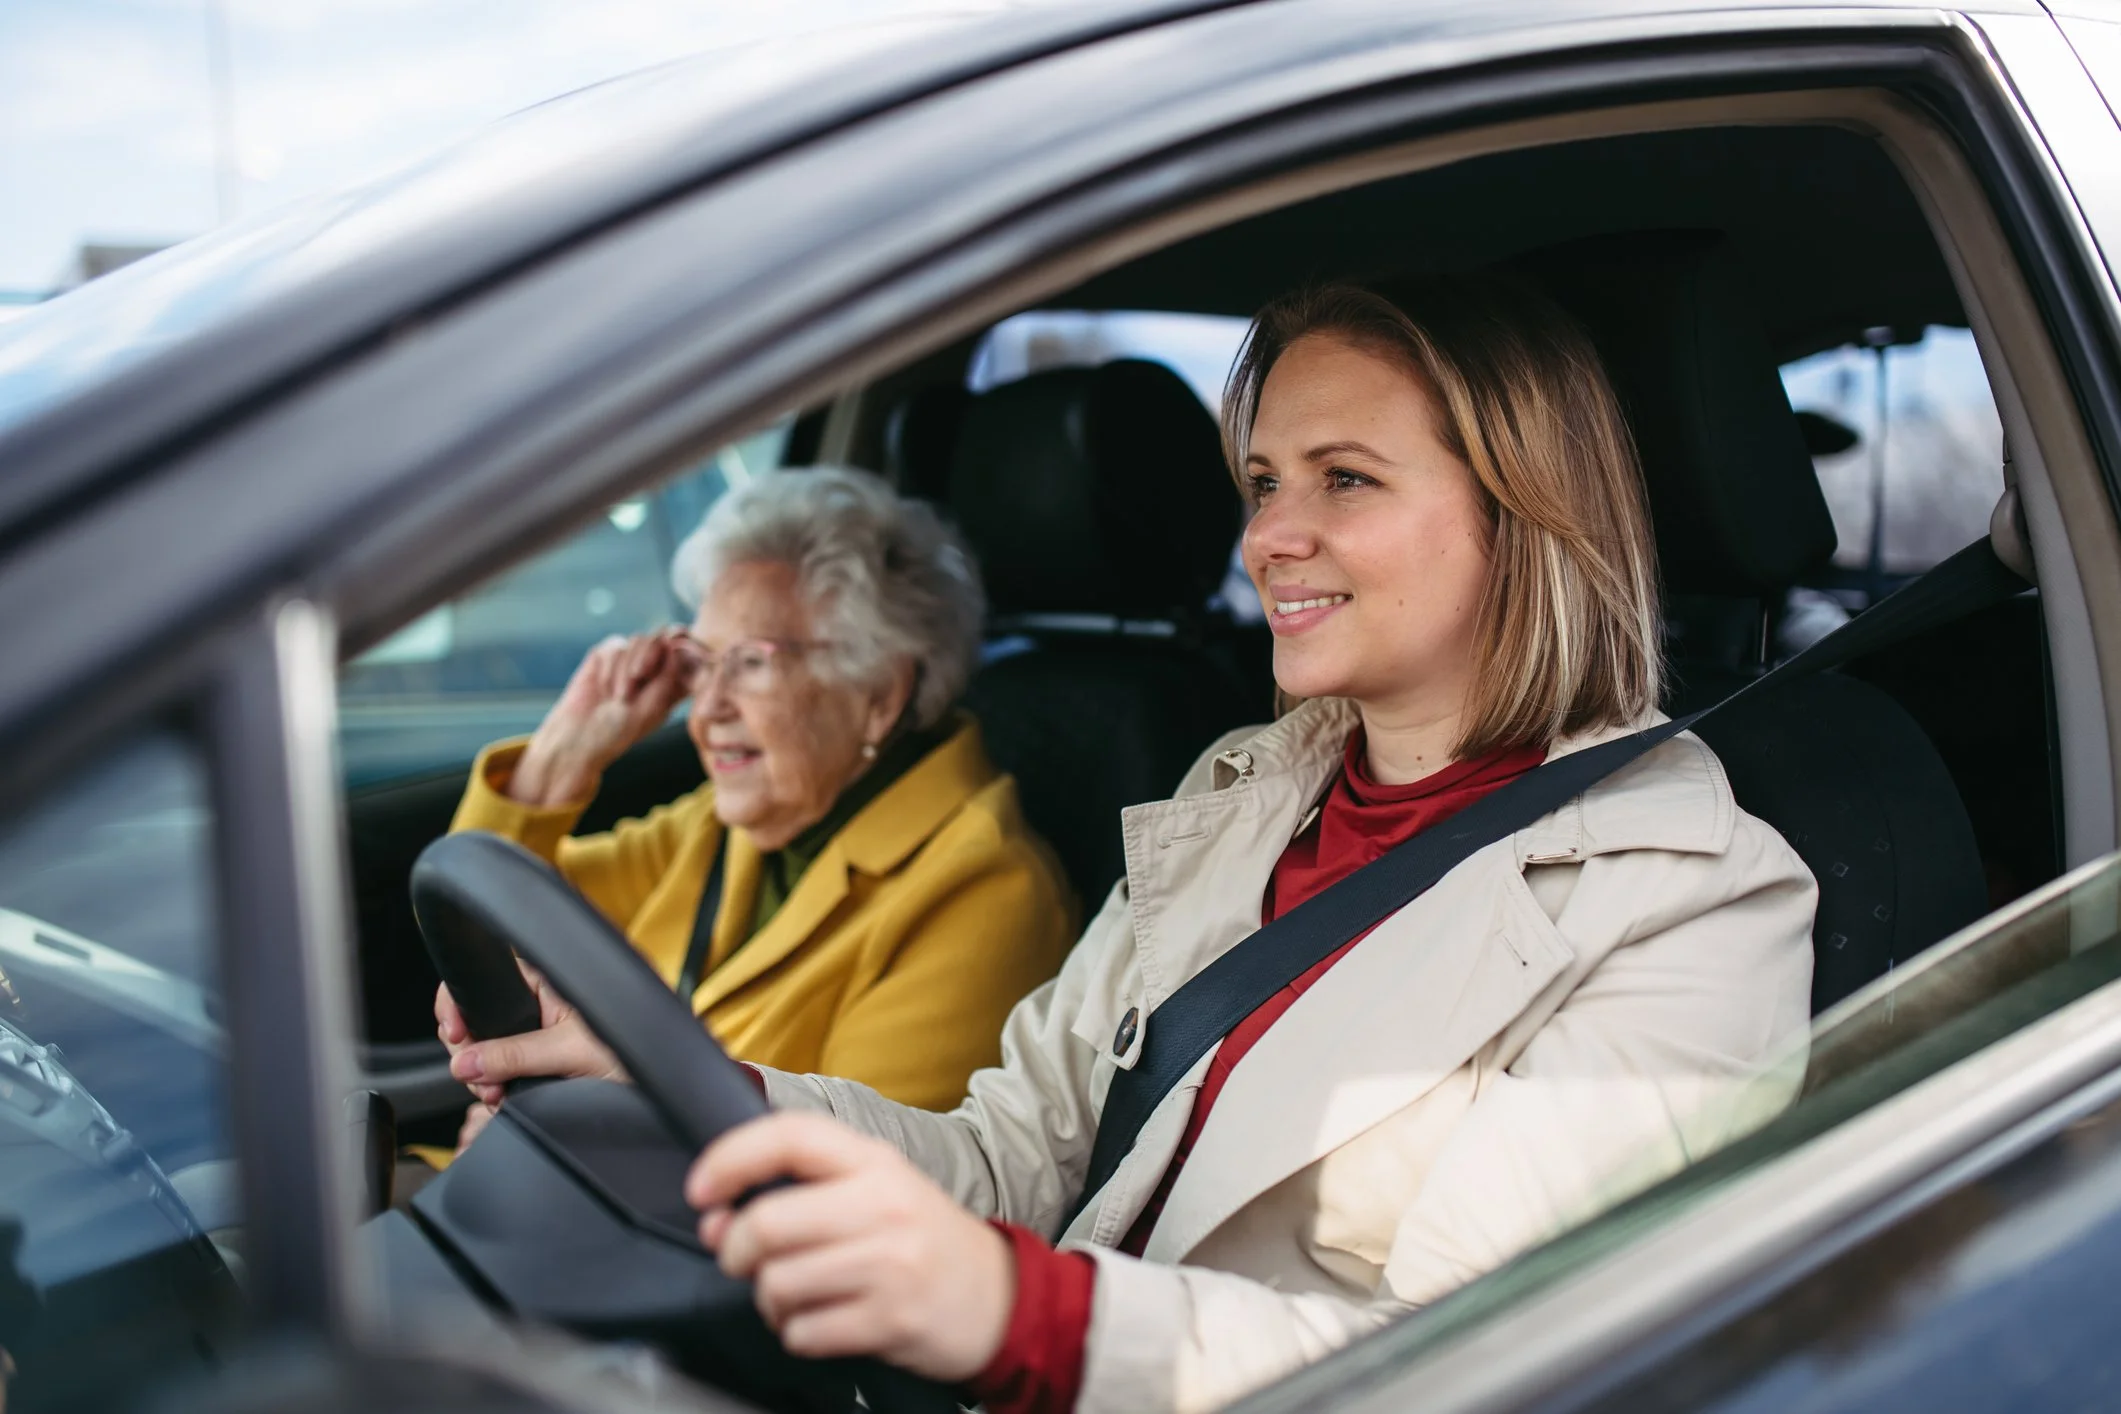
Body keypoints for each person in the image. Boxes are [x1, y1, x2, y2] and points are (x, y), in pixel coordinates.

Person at [674, 281, 1818, 1413]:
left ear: (1523, 513)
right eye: (1264, 482)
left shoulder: (1691, 896)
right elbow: (1010, 1160)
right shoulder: (1238, 794)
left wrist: (1031, 1322)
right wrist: (695, 1092)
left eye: (1347, 478)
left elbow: (1477, 1360)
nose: (1267, 535)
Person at [438, 467, 1075, 1133]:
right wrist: (561, 756)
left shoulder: (985, 893)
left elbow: (848, 1189)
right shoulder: (720, 824)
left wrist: (569, 1143)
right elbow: (483, 924)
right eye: (700, 662)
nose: (705, 709)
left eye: (749, 663)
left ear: (879, 695)